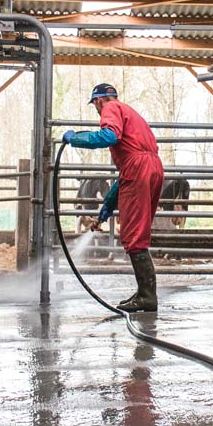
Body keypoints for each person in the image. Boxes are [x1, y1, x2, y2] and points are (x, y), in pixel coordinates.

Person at [63, 83, 164, 312]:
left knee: (133, 235)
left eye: (95, 106)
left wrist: (75, 138)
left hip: (138, 168)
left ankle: (148, 297)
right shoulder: (131, 113)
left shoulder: (110, 108)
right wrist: (107, 207)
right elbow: (127, 173)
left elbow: (108, 135)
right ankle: (144, 293)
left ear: (99, 100)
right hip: (153, 167)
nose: (97, 111)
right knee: (137, 230)